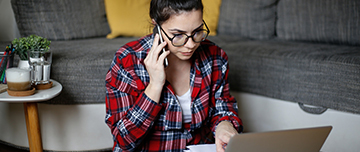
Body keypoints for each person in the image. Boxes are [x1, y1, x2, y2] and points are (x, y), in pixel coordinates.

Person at [105, 0, 243, 151]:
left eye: (197, 31)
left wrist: (225, 125)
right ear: (156, 26)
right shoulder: (127, 61)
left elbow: (223, 108)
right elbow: (124, 140)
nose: (190, 44)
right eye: (178, 35)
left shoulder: (215, 56)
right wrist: (155, 86)